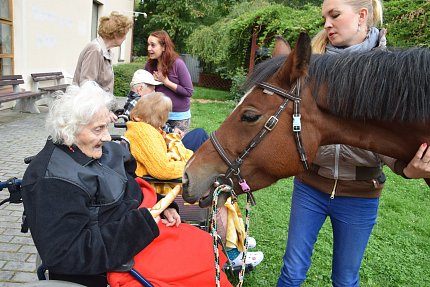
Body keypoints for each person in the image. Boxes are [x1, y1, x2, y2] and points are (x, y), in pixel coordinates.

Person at [277, 1, 430, 286]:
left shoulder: (391, 70)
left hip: (360, 196)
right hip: (310, 186)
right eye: (324, 17)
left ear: (361, 15)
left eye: (334, 15)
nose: (326, 24)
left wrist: (407, 169)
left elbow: (391, 135)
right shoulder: (311, 63)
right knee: (292, 272)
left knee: (346, 280)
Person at [21, 82, 232, 287]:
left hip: (141, 232)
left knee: (203, 248)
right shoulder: (52, 180)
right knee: (199, 271)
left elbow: (131, 184)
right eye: (98, 129)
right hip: (120, 258)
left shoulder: (99, 150)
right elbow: (67, 255)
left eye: (106, 127)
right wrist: (139, 225)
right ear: (70, 131)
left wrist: (163, 204)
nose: (106, 137)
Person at [125, 92, 264, 268]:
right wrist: (193, 168)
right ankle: (233, 254)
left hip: (160, 184)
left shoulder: (143, 128)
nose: (163, 123)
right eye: (162, 119)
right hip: (160, 189)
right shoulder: (143, 132)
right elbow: (161, 169)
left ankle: (236, 238)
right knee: (216, 191)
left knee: (219, 184)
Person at [144, 30, 193, 133]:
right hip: (158, 115)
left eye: (153, 45)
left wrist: (166, 82)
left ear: (164, 47)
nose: (149, 48)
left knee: (176, 147)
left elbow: (188, 91)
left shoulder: (177, 64)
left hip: (179, 118)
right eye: (148, 45)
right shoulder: (149, 66)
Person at [73, 12, 133, 93]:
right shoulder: (95, 49)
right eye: (125, 33)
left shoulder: (105, 51)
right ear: (116, 34)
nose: (125, 38)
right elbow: (87, 85)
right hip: (91, 105)